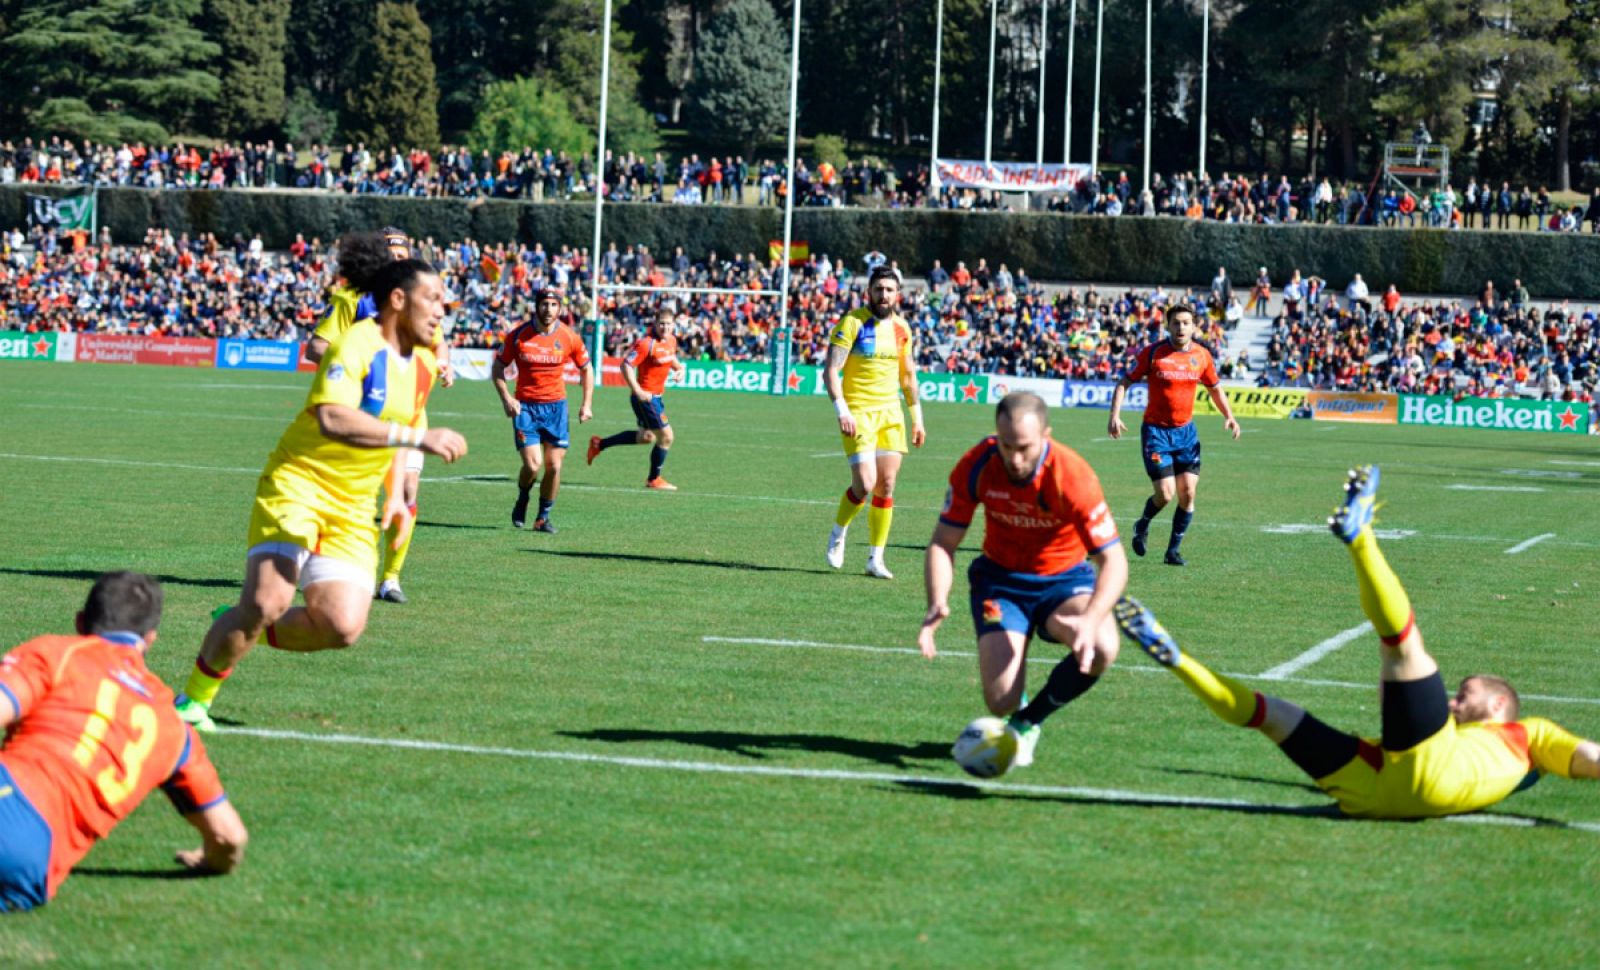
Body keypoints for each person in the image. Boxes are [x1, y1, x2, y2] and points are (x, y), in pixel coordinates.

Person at [1114, 466, 1600, 818]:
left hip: (1418, 772)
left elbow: (1591, 759)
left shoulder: (1529, 734)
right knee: (1271, 715)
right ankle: (1177, 659)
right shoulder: (1518, 756)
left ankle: (1361, 535)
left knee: (1403, 646)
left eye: (1466, 693)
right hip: (1374, 789)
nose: (1453, 699)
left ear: (1499, 704)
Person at [177, 260, 469, 732]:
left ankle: (239, 623)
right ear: (398, 299)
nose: (442, 309)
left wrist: (394, 495)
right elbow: (333, 417)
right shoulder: (356, 344)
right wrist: (418, 439)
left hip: (353, 506)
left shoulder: (426, 362)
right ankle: (192, 700)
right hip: (299, 483)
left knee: (341, 626)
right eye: (433, 298)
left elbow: (398, 431)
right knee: (270, 600)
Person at [1, 573, 247, 910]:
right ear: (150, 639)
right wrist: (212, 861)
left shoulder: (58, 654)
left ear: (80, 622)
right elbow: (229, 837)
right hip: (31, 865)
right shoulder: (173, 727)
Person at [918, 392, 1128, 772]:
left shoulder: (1074, 476)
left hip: (1064, 583)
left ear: (1046, 434)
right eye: (1006, 446)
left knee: (1101, 648)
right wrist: (937, 601)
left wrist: (1093, 617)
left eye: (1025, 448)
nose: (1015, 459)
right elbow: (943, 543)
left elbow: (1113, 560)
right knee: (999, 701)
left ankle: (1028, 721)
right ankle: (1016, 698)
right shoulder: (977, 464)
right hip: (1000, 583)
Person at [306, 229, 455, 604]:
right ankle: (326, 564)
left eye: (402, 255)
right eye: (390, 254)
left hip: (408, 415)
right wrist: (362, 365)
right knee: (349, 499)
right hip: (361, 416)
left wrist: (444, 364)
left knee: (407, 492)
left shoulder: (417, 302)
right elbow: (316, 345)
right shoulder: (352, 299)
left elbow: (439, 342)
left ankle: (390, 578)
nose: (396, 261)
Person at [1108, 304, 1240, 566]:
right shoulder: (1154, 353)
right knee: (1166, 494)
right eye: (1176, 322)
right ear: (1167, 325)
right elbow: (1124, 382)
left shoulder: (1202, 356)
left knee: (1188, 493)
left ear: (1194, 326)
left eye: (1186, 322)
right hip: (1156, 433)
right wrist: (1115, 415)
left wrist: (1230, 416)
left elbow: (1215, 388)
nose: (1181, 327)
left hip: (1186, 434)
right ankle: (1142, 524)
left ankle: (1172, 551)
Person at [823, 264, 926, 578]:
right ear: (869, 292)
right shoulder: (852, 323)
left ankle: (875, 559)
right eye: (879, 289)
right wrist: (842, 409)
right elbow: (830, 370)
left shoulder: (902, 329)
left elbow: (908, 377)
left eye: (889, 290)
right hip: (858, 413)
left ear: (898, 295)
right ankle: (839, 532)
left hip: (890, 414)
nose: (884, 295)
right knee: (865, 484)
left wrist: (917, 419)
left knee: (887, 485)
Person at [492, 285, 594, 533]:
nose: (548, 310)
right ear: (536, 306)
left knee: (555, 466)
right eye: (544, 304)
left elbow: (586, 369)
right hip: (525, 408)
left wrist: (586, 404)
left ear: (560, 308)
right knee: (533, 465)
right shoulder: (518, 336)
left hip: (556, 409)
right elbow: (498, 369)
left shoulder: (569, 337)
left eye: (553, 305)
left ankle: (542, 518)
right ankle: (523, 497)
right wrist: (506, 398)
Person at [587, 305, 686, 489]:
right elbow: (626, 366)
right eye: (661, 324)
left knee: (646, 437)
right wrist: (638, 390)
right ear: (655, 324)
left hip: (656, 397)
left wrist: (679, 369)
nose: (665, 328)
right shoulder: (646, 344)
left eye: (668, 324)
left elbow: (670, 358)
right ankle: (654, 479)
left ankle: (599, 444)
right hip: (646, 398)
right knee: (666, 437)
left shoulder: (671, 340)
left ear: (674, 325)